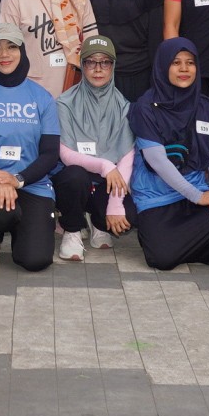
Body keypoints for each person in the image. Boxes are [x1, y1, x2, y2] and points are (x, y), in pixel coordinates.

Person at [126, 37, 209, 270]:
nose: (184, 69)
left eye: (190, 63)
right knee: (161, 258)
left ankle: (185, 244)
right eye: (176, 63)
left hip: (197, 191)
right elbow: (158, 161)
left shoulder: (204, 106)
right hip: (157, 197)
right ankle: (187, 244)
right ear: (163, 66)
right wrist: (198, 197)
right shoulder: (145, 107)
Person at [0, 24, 60, 271]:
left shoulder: (43, 97)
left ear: (22, 51)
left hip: (31, 183)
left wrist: (17, 179)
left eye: (11, 47)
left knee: (35, 260)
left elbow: (50, 153)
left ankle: (20, 226)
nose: (4, 54)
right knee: (1, 213)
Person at [53, 35, 136, 259]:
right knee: (74, 177)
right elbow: (65, 154)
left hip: (104, 183)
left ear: (113, 66)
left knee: (129, 214)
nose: (98, 69)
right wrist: (105, 166)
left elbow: (127, 155)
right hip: (75, 178)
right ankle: (72, 229)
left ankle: (98, 222)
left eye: (105, 62)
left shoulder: (123, 105)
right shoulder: (65, 103)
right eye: (91, 62)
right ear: (82, 65)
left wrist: (116, 204)